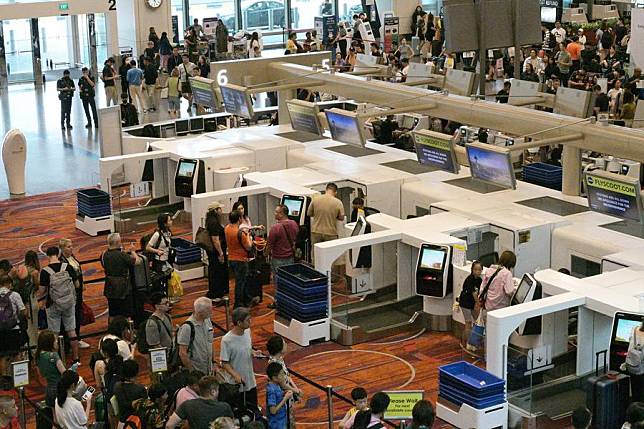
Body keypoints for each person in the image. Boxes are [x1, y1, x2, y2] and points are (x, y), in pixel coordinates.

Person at [38, 246, 79, 364]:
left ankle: (56, 360)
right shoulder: (68, 267)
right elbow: (76, 285)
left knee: (54, 334)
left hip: (53, 305)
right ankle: (76, 357)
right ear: (59, 253)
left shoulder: (45, 271)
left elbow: (41, 291)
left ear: (47, 256)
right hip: (69, 303)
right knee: (71, 331)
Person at [220, 307, 261, 411]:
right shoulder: (226, 340)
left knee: (253, 409)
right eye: (248, 320)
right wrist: (236, 375)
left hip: (250, 380)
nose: (250, 322)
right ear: (239, 322)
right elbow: (224, 362)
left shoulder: (247, 332)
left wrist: (253, 352)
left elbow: (247, 348)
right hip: (236, 384)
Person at [166, 376, 234, 429]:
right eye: (218, 390)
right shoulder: (224, 407)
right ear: (213, 391)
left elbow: (169, 426)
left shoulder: (187, 405)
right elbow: (231, 426)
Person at [59, 238, 90, 349]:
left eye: (71, 246)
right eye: (68, 246)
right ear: (62, 248)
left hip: (78, 291)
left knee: (78, 313)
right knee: (72, 316)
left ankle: (77, 337)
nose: (71, 248)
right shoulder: (61, 262)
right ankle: (72, 340)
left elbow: (78, 271)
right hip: (71, 293)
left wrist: (82, 283)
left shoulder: (72, 258)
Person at [101, 233, 140, 321]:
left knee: (112, 312)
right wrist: (133, 251)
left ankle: (112, 331)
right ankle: (128, 332)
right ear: (118, 242)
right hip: (123, 288)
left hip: (110, 287)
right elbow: (138, 262)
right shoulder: (122, 255)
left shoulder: (103, 254)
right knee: (127, 314)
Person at [266, 335, 301, 427]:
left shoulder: (280, 359)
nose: (286, 344)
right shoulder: (274, 363)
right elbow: (283, 383)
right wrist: (296, 391)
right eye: (284, 343)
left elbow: (287, 377)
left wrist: (295, 389)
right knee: (287, 420)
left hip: (289, 393)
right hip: (282, 396)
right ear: (279, 348)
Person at [177, 297, 214, 375]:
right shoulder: (187, 327)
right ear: (200, 312)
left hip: (208, 369)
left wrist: (213, 363)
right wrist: (192, 371)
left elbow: (210, 342)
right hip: (196, 370)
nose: (212, 312)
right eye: (209, 310)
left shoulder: (207, 320)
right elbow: (182, 353)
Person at [225, 210, 253, 308]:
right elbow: (249, 246)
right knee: (240, 282)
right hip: (241, 259)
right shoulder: (240, 233)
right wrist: (248, 235)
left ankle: (246, 299)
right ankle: (239, 303)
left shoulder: (227, 228)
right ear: (239, 219)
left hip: (231, 258)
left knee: (239, 281)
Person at [307, 183, 345, 251]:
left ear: (326, 189)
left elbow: (309, 213)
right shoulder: (338, 202)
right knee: (330, 254)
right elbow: (341, 218)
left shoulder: (315, 199)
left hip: (316, 231)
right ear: (335, 192)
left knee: (316, 253)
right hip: (330, 233)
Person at [36, 330, 70, 407]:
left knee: (54, 415)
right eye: (55, 340)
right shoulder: (54, 355)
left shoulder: (38, 356)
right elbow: (64, 373)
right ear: (49, 342)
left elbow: (40, 376)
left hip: (49, 390)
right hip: (59, 389)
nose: (57, 341)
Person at [0, 275, 26, 375]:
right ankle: (18, 379)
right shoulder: (14, 295)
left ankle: (4, 379)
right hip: (14, 329)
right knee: (16, 354)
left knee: (2, 356)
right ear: (9, 284)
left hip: (1, 330)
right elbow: (23, 311)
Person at [479, 250, 517, 315]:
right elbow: (509, 291)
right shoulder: (507, 274)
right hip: (500, 308)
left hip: (487, 306)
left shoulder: (489, 270)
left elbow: (483, 287)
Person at [205, 202, 228, 301]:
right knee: (217, 271)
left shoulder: (209, 220)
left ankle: (216, 292)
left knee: (214, 271)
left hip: (212, 252)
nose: (221, 211)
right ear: (215, 210)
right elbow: (215, 239)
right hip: (216, 252)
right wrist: (221, 253)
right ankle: (216, 293)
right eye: (219, 209)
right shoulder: (214, 222)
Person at [114, 359, 148, 424]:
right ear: (136, 372)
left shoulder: (116, 386)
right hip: (137, 423)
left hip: (122, 421)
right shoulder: (140, 388)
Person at [268, 204, 299, 274]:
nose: (274, 213)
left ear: (281, 214)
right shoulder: (294, 224)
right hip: (290, 258)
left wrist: (265, 254)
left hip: (278, 259)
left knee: (278, 280)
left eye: (276, 212)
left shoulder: (275, 228)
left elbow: (269, 245)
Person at [266, 362, 293, 429]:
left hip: (282, 420)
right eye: (281, 374)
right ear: (275, 378)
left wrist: (283, 394)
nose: (284, 375)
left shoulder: (276, 385)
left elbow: (277, 398)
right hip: (277, 424)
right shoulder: (271, 390)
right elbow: (273, 411)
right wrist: (285, 398)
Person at [458, 261, 483, 327]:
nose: (477, 271)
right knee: (468, 323)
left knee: (478, 321)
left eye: (479, 270)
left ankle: (474, 336)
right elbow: (474, 294)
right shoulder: (470, 279)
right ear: (472, 270)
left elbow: (479, 292)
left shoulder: (479, 280)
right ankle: (467, 337)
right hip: (465, 303)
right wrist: (479, 304)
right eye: (475, 269)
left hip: (472, 303)